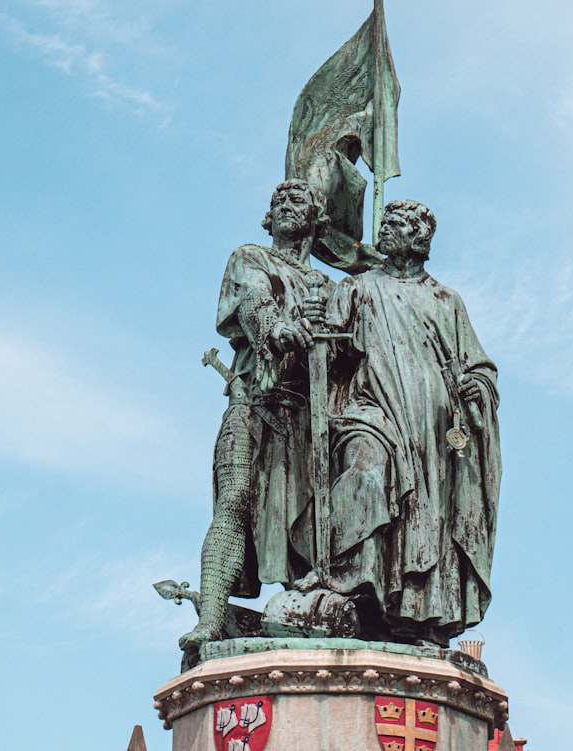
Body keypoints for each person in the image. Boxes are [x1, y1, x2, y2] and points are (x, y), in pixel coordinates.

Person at [323, 199, 501, 646]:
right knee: (365, 472)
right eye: (385, 223)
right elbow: (327, 350)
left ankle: (414, 617)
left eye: (397, 224)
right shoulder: (357, 289)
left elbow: (479, 366)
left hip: (433, 430)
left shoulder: (446, 301)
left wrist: (476, 387)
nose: (385, 230)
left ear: (420, 239)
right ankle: (353, 588)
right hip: (371, 410)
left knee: (428, 518)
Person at [180, 180, 331, 648]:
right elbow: (253, 303)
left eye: (297, 201)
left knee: (314, 515)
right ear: (269, 217)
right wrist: (278, 327)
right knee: (236, 498)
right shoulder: (250, 258)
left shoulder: (327, 285)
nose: (286, 206)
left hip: (310, 415)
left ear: (316, 219)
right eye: (278, 202)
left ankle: (305, 608)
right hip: (252, 402)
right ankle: (211, 612)